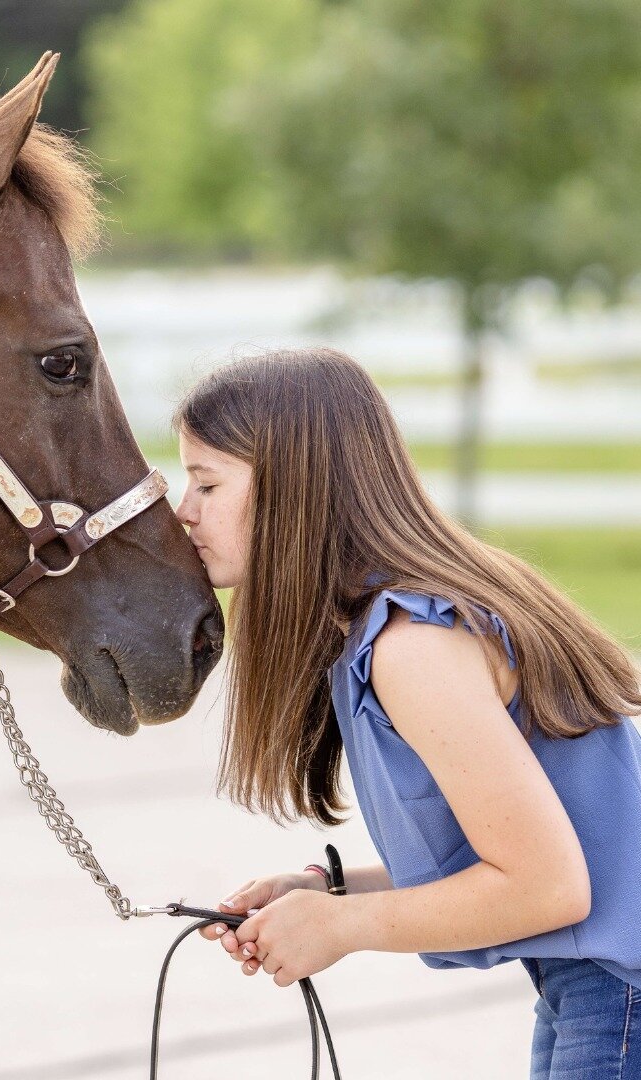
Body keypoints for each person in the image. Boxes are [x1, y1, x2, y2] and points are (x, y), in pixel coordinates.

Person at [174, 347, 641, 1079]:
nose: (184, 511)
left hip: (619, 1000)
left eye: (206, 483)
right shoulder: (396, 624)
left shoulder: (413, 644)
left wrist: (344, 926)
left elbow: (548, 884)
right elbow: (529, 856)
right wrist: (327, 891)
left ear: (296, 488)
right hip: (591, 988)